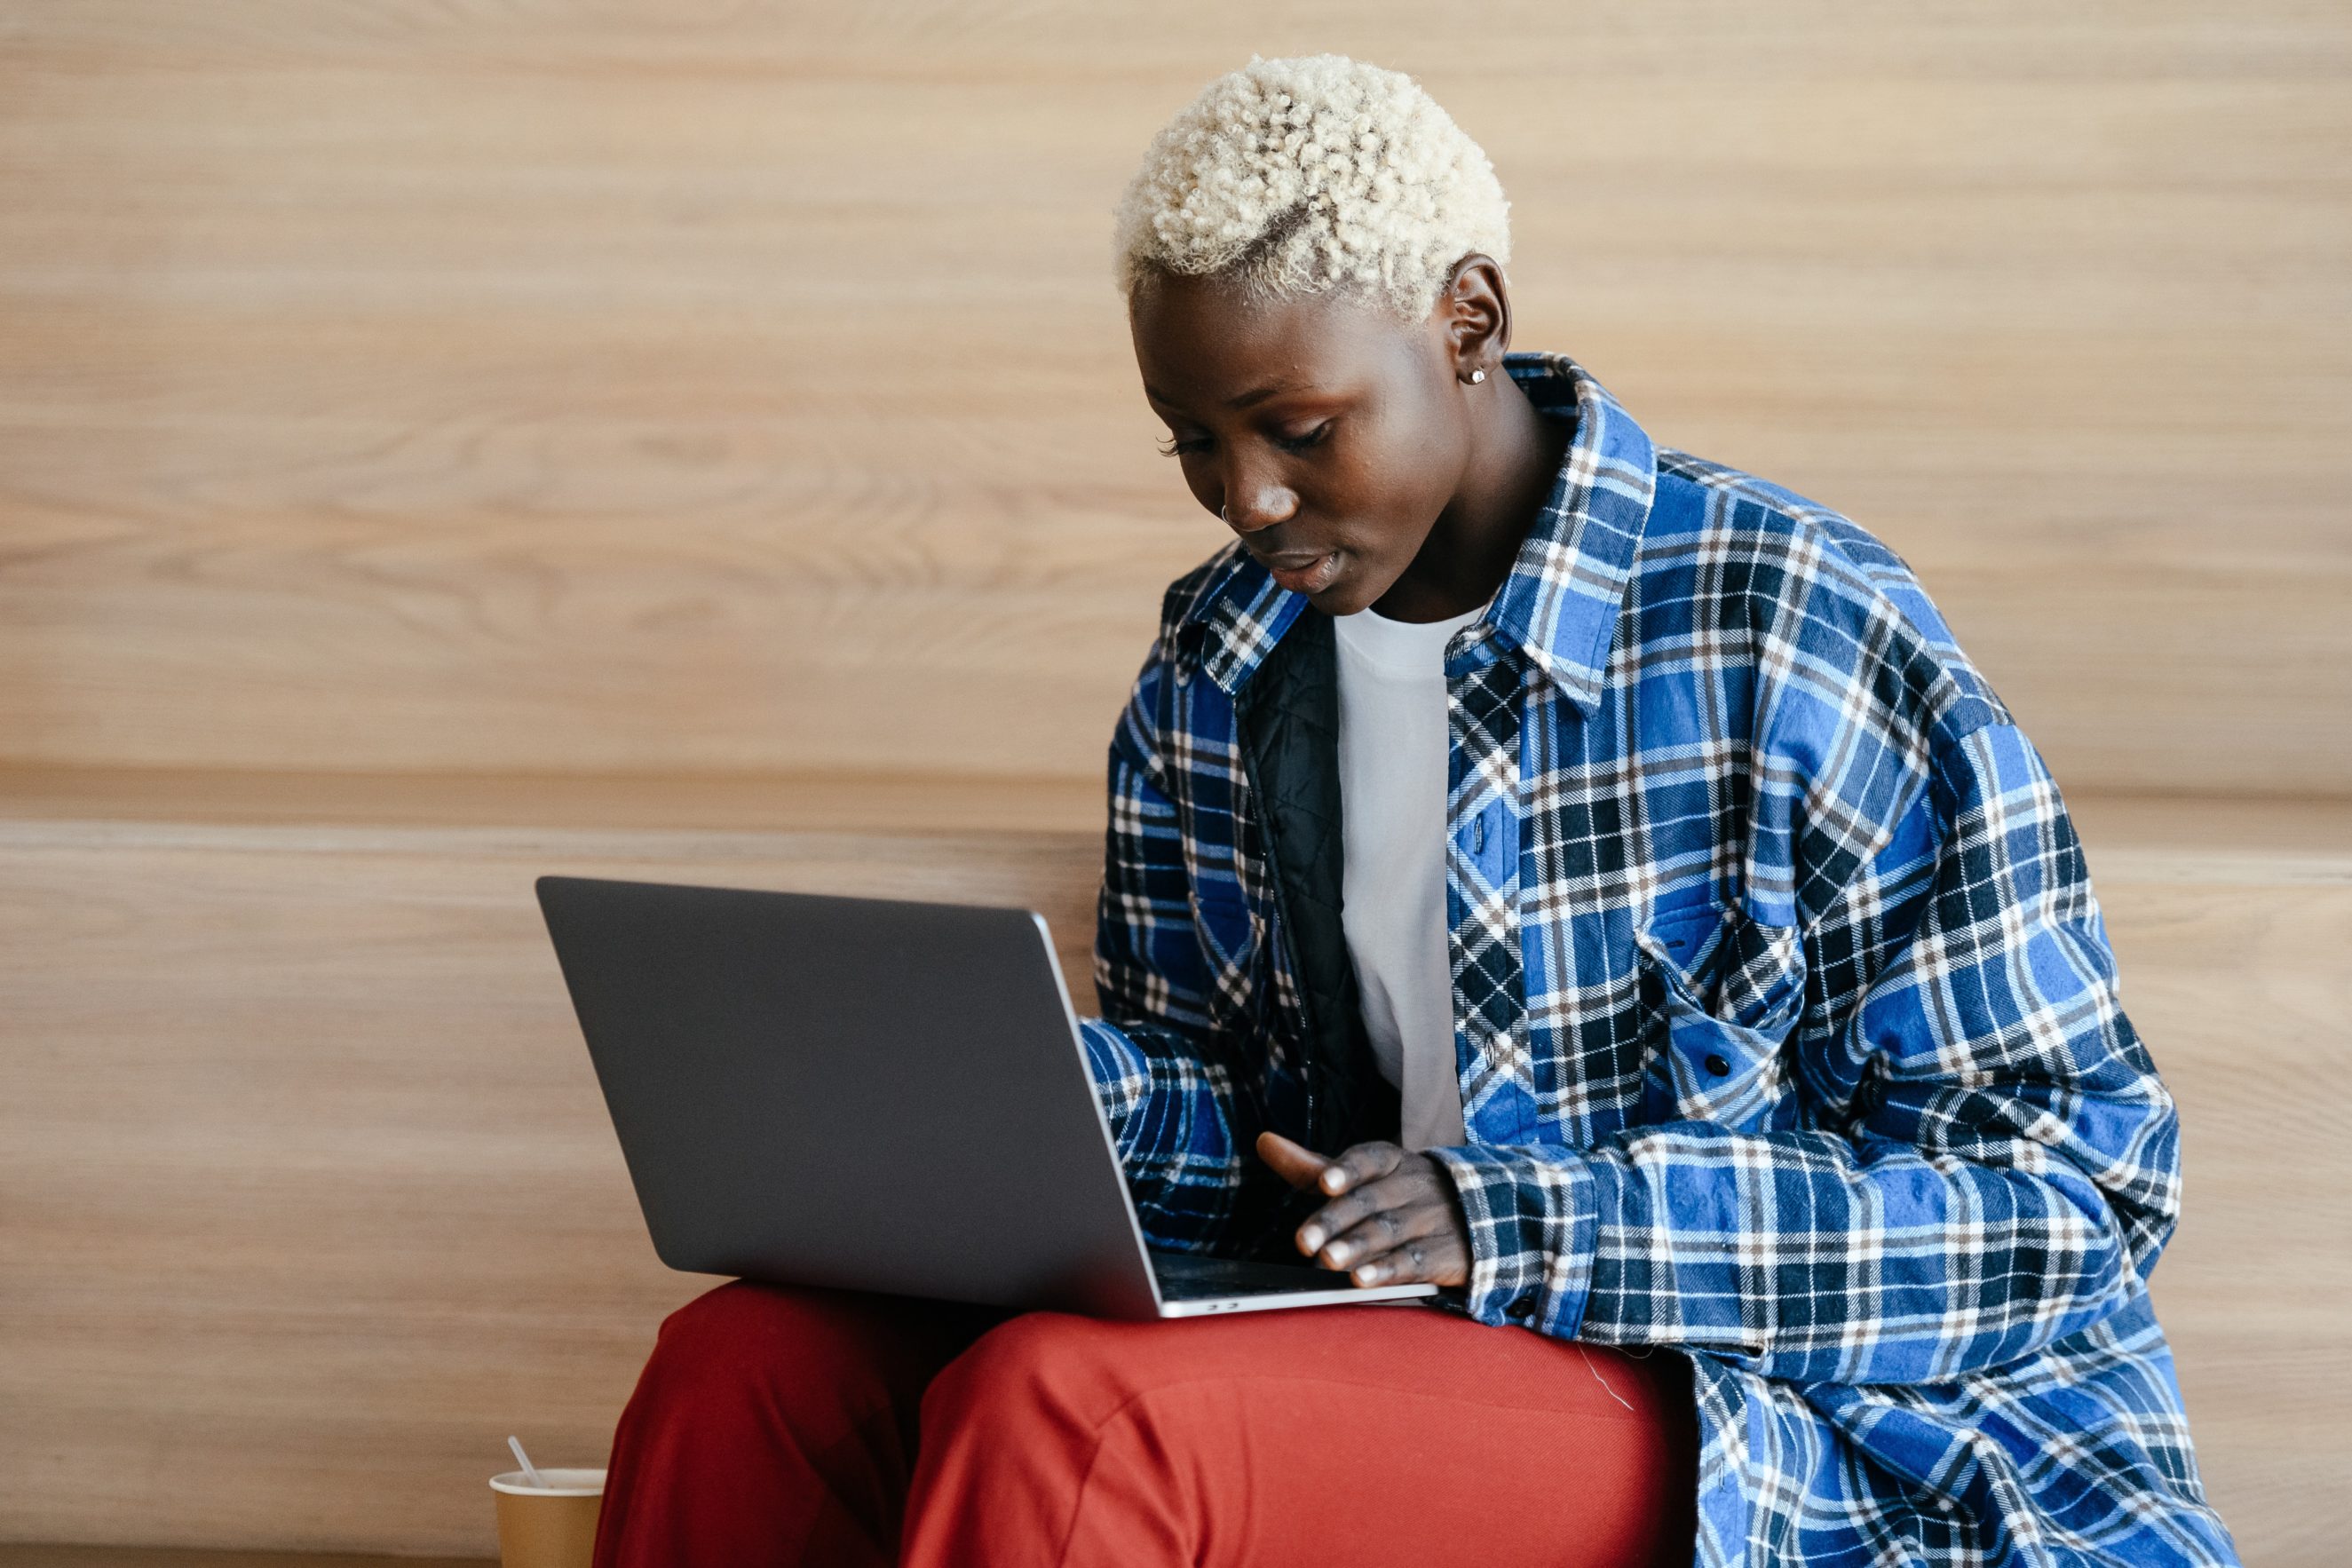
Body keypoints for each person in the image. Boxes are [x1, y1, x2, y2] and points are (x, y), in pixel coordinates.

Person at [590, 54, 2239, 1567]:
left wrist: (1505, 1216)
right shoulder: (1218, 662)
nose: (1248, 500)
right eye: (1194, 443)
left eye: (1298, 430)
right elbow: (1235, 1129)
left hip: (1764, 1414)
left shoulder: (1790, 624)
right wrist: (997, 1098)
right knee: (741, 1371)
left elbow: (2069, 1206)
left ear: (1464, 321)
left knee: (1075, 1412)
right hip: (1359, 1332)